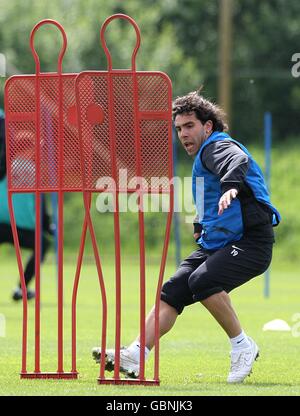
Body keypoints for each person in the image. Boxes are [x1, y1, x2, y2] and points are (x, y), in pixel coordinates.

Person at [91, 90, 281, 383]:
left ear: (207, 126)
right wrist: (199, 222)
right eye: (178, 128)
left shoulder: (216, 147)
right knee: (173, 289)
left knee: (203, 281)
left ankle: (242, 345)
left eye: (189, 126)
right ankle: (137, 353)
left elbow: (237, 160)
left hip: (251, 243)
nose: (182, 133)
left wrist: (231, 186)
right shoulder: (203, 157)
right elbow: (209, 194)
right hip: (220, 243)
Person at [0, 110, 52, 301]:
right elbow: (40, 205)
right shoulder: (35, 171)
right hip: (21, 227)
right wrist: (48, 226)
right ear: (29, 148)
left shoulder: (4, 166)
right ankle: (21, 288)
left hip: (1, 222)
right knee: (43, 244)